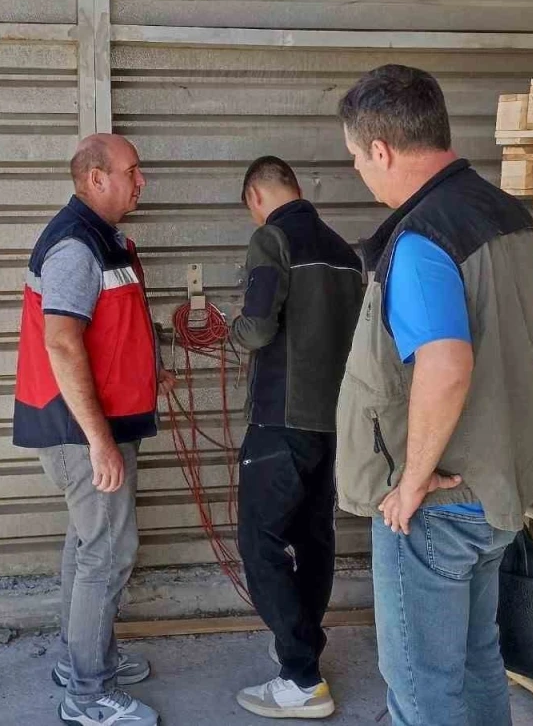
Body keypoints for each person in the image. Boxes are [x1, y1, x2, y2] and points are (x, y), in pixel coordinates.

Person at [333, 65, 533, 726]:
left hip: (439, 507)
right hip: (498, 486)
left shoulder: (424, 237)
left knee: (423, 688)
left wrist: (413, 481)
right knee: (478, 661)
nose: (358, 172)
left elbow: (447, 365)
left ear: (381, 150)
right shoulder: (504, 213)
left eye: (355, 157)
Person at [13, 133, 174, 726]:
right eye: (132, 171)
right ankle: (88, 694)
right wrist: (100, 441)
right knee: (107, 553)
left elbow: (109, 330)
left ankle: (81, 657)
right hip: (83, 434)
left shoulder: (104, 240)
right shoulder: (76, 246)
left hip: (95, 427)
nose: (142, 181)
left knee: (87, 546)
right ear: (96, 178)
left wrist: (151, 361)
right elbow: (61, 340)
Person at [230, 156, 364, 720]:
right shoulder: (344, 253)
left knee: (258, 542)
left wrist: (232, 331)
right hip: (334, 423)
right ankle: (303, 646)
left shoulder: (272, 240)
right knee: (314, 540)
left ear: (256, 198)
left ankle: (302, 677)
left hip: (281, 421)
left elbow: (258, 326)